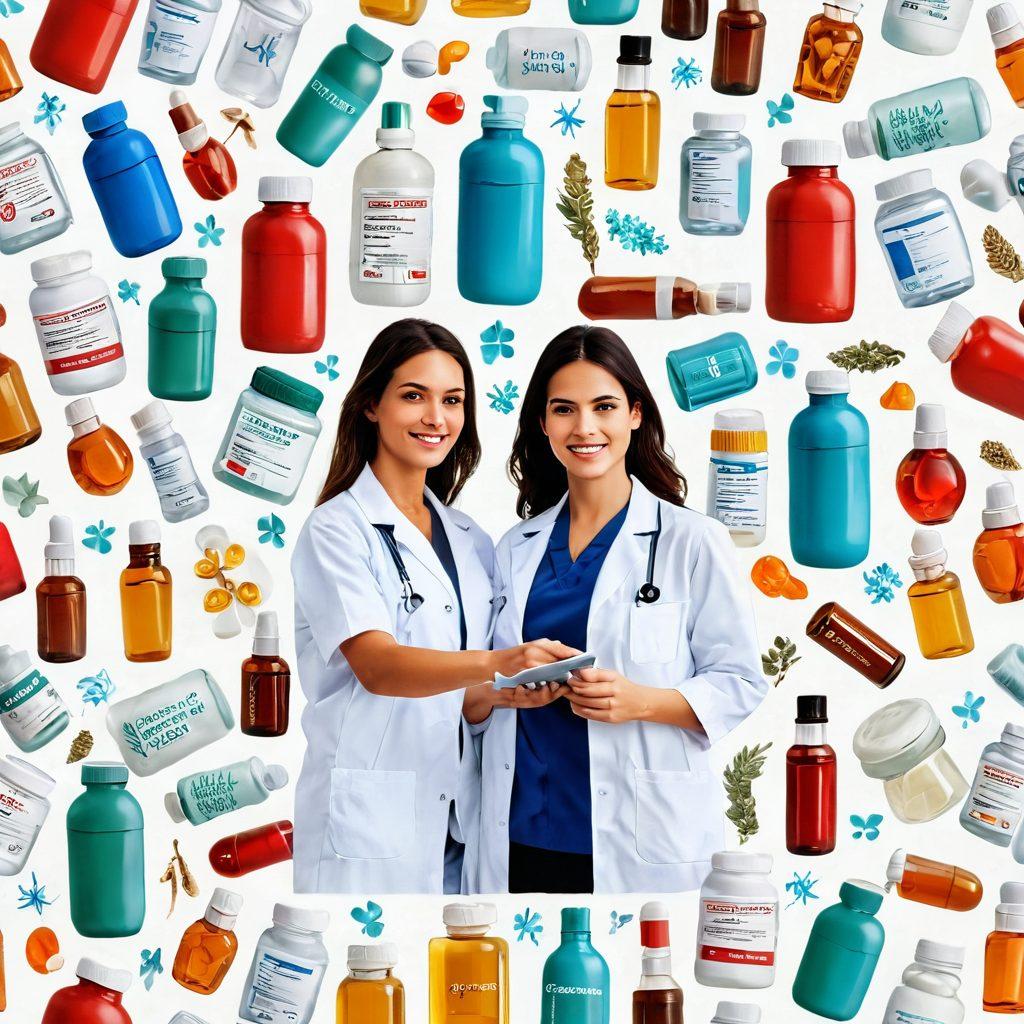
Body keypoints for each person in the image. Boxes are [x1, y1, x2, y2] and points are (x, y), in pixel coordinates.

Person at [466, 325, 766, 894]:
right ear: (542, 422)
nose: (584, 428)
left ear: (634, 413)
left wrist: (638, 701)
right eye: (564, 410)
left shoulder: (691, 541)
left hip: (644, 838)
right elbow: (475, 685)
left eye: (603, 406)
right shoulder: (514, 547)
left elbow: (739, 682)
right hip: (521, 837)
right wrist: (507, 689)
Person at [291, 319, 574, 894]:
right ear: (371, 405)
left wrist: (503, 693)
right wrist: (500, 662)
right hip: (367, 826)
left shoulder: (470, 539)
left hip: (455, 820)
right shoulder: (336, 529)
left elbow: (459, 695)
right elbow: (380, 666)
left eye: (452, 400)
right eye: (414, 396)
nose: (436, 418)